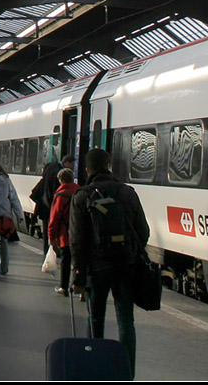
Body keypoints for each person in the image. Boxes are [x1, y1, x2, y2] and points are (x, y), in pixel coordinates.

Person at [70, 147, 150, 377]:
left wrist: (79, 273)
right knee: (126, 322)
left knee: (95, 319)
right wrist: (131, 253)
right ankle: (127, 372)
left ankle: (95, 369)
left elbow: (77, 241)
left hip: (96, 268)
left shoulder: (82, 195)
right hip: (126, 266)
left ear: (87, 169)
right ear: (108, 166)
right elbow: (143, 232)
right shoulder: (128, 192)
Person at [47, 167, 80, 296]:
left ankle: (64, 287)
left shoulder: (61, 195)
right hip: (80, 233)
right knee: (80, 261)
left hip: (65, 235)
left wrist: (51, 237)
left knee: (66, 261)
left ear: (60, 180)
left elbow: (54, 219)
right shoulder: (80, 192)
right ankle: (81, 288)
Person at [32, 154, 75, 253]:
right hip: (50, 205)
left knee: (48, 229)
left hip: (43, 204)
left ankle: (48, 251)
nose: (72, 168)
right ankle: (53, 251)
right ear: (67, 163)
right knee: (53, 229)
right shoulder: (57, 173)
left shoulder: (50, 166)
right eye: (71, 166)